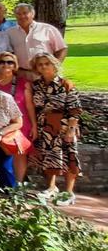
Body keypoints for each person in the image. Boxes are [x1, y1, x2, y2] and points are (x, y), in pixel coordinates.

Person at [30, 53, 82, 206]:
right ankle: (51, 187)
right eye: (40, 64)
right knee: (48, 157)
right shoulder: (36, 85)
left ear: (54, 65)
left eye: (47, 63)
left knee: (70, 157)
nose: (44, 66)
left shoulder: (66, 84)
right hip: (45, 127)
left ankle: (69, 192)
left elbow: (75, 109)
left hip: (64, 126)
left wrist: (71, 130)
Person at [0, 51, 36, 184]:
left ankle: (17, 182)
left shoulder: (22, 82)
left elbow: (29, 105)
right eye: (2, 62)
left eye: (10, 62)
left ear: (15, 65)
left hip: (20, 121)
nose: (6, 65)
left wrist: (34, 125)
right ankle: (0, 182)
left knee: (19, 152)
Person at [9, 4, 68, 78]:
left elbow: (62, 49)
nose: (22, 16)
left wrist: (55, 66)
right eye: (18, 14)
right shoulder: (10, 33)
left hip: (46, 72)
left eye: (25, 13)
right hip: (22, 74)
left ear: (32, 14)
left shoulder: (47, 29)